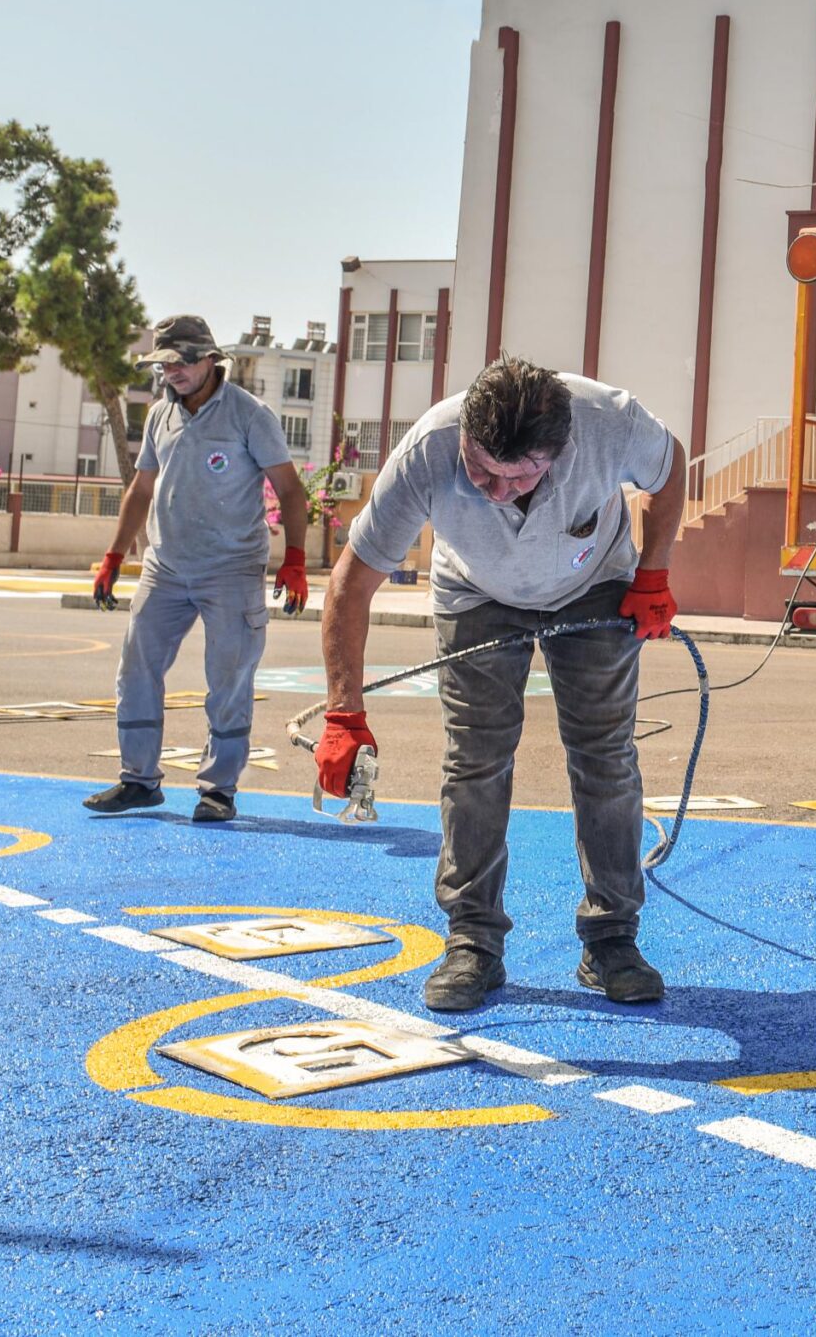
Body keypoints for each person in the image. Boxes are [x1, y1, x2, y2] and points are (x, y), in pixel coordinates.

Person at [316, 356, 681, 1011]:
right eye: (480, 468)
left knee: (604, 755)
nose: (493, 489)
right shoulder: (428, 452)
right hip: (475, 591)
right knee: (475, 758)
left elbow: (671, 466)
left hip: (592, 584)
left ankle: (611, 939)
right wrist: (344, 713)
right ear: (465, 435)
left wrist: (653, 571)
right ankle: (472, 943)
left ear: (560, 452)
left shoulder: (610, 423)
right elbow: (350, 583)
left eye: (517, 478)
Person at [84, 314, 311, 823]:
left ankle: (218, 790)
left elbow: (291, 490)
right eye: (165, 362)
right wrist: (114, 556)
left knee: (228, 678)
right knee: (136, 669)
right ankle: (139, 780)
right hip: (164, 568)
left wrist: (295, 560)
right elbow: (141, 489)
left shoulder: (249, 415)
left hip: (231, 568)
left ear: (212, 360)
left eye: (184, 360)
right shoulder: (160, 417)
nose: (174, 371)